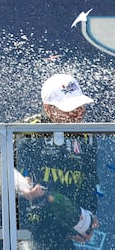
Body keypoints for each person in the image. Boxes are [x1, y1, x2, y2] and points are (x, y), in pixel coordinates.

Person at [14, 73, 100, 250]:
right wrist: (20, 186)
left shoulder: (87, 137)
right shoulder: (25, 132)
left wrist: (88, 218)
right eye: (69, 109)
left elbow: (89, 182)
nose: (77, 114)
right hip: (29, 231)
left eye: (80, 107)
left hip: (64, 230)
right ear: (48, 109)